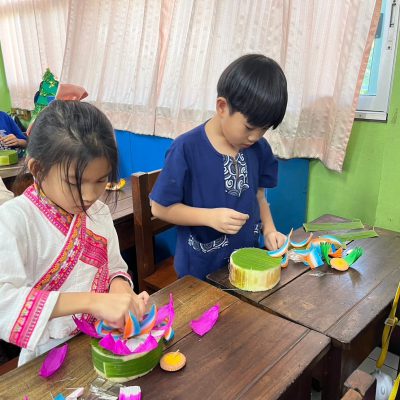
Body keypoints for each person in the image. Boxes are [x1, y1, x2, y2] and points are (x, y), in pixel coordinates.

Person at [0, 100, 148, 365]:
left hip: (101, 340)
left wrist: (121, 288)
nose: (90, 195)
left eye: (101, 180)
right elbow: (5, 300)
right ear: (37, 169)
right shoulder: (13, 220)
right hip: (45, 354)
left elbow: (115, 267)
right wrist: (91, 302)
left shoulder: (99, 212)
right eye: (74, 182)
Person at [150, 54, 288, 280]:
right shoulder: (186, 148)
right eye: (249, 127)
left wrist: (270, 230)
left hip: (246, 266)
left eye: (263, 129)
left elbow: (259, 196)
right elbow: (159, 209)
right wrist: (209, 217)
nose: (255, 137)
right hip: (198, 274)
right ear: (222, 107)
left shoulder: (259, 149)